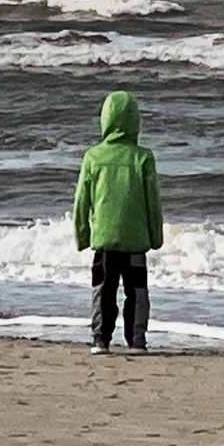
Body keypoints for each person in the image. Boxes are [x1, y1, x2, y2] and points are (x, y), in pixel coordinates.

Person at [73, 90, 164, 355]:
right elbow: (153, 203)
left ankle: (101, 339)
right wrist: (155, 236)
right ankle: (137, 341)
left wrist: (82, 235)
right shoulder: (143, 157)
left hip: (104, 237)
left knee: (104, 289)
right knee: (137, 291)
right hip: (136, 239)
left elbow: (81, 201)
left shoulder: (93, 156)